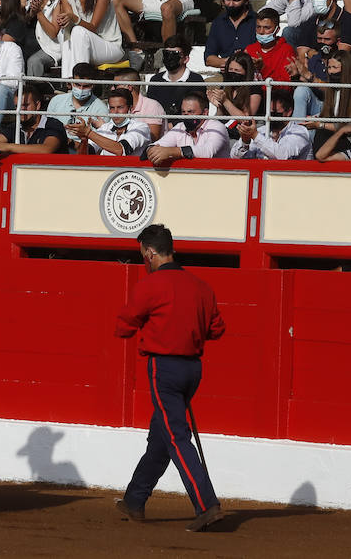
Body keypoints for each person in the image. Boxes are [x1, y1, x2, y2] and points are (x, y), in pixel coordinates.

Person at [114, 224, 225, 531]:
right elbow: (216, 329)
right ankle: (135, 500)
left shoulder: (152, 285)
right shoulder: (201, 287)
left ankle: (206, 504)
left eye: (143, 256)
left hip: (163, 369)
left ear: (150, 253)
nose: (144, 262)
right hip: (193, 369)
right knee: (162, 437)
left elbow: (124, 324)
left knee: (175, 437)